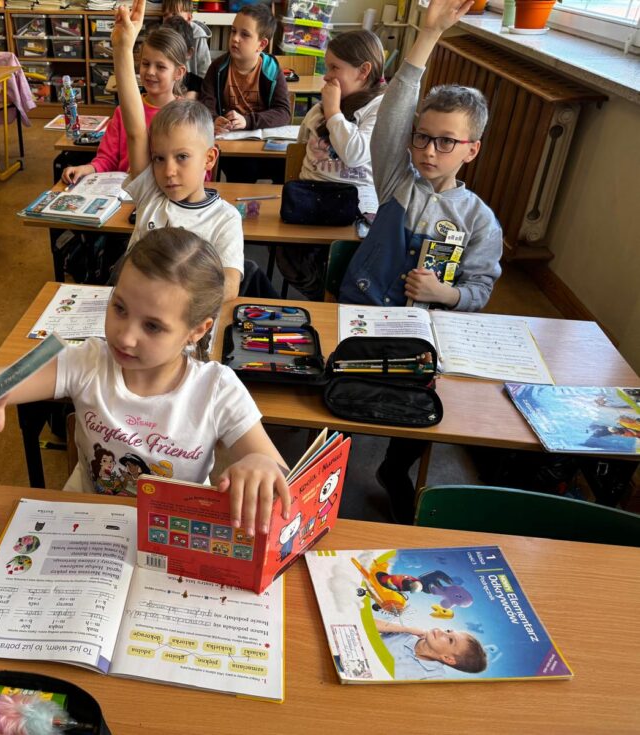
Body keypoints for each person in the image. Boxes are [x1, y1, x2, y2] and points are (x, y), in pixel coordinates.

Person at [0, 228, 291, 536]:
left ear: (197, 330)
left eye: (152, 326)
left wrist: (263, 466)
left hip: (174, 531)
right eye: (120, 308)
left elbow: (280, 475)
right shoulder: (87, 361)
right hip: (86, 521)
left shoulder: (216, 389)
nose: (124, 337)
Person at [338, 0, 503, 522]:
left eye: (446, 142)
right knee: (345, 396)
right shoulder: (396, 179)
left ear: (471, 149)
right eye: (423, 137)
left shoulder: (479, 221)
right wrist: (427, 35)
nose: (429, 151)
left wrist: (445, 294)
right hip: (363, 317)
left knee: (425, 403)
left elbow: (480, 289)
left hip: (426, 334)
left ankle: (394, 467)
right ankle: (332, 460)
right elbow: (392, 115)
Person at [114, 0, 242, 301]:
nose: (168, 171)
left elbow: (230, 285)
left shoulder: (224, 218)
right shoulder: (151, 193)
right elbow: (135, 131)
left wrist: (170, 301)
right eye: (159, 158)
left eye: (182, 157)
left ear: (209, 158)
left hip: (180, 317)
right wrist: (122, 48)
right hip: (135, 307)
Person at [276, 30, 387, 300]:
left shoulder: (379, 108)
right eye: (327, 67)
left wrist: (334, 112)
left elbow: (355, 154)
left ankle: (336, 299)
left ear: (363, 71)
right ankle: (324, 299)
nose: (326, 76)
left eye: (335, 68)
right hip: (311, 203)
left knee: (353, 265)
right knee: (287, 253)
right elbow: (301, 145)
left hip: (357, 212)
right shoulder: (320, 109)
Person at [60, 26, 188, 185]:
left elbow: (193, 169)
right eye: (145, 63)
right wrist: (87, 169)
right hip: (122, 193)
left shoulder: (187, 117)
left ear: (178, 72)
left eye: (160, 67)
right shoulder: (123, 112)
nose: (150, 72)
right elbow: (107, 158)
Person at [198, 2, 290, 182]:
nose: (235, 38)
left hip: (263, 143)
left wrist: (247, 121)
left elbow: (283, 112)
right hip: (232, 144)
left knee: (284, 169)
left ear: (261, 44)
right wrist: (215, 119)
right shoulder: (217, 67)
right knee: (242, 171)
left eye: (244, 34)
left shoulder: (272, 70)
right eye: (233, 31)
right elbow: (206, 103)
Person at [374, 618, 487, 680]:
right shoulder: (407, 631)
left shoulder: (433, 678)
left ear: (448, 658)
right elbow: (368, 625)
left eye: (450, 640)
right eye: (448, 631)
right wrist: (405, 629)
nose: (441, 631)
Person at [161, 0, 211, 82]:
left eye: (175, 14)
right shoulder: (163, 35)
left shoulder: (198, 36)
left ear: (189, 18)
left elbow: (204, 71)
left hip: (193, 85)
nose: (169, 19)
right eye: (165, 15)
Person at [162, 15, 201, 100]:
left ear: (189, 53)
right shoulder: (155, 81)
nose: (169, 53)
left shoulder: (198, 85)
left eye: (176, 49)